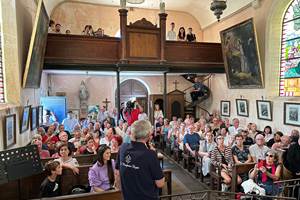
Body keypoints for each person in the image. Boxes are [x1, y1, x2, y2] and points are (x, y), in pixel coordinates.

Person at [115, 120, 165, 200]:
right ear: (149, 135)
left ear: (133, 133)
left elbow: (117, 173)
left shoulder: (123, 148)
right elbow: (160, 183)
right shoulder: (150, 155)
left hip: (127, 196)